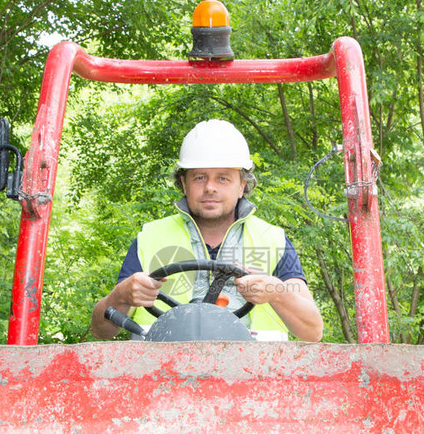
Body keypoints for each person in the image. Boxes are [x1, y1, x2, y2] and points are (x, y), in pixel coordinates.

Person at [91, 119, 323, 342]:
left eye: (223, 178)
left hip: (254, 377)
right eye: (200, 177)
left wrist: (276, 292)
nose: (210, 187)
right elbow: (101, 330)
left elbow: (312, 331)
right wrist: (121, 295)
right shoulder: (150, 238)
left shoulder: (272, 240)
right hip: (162, 377)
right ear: (184, 184)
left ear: (242, 186)